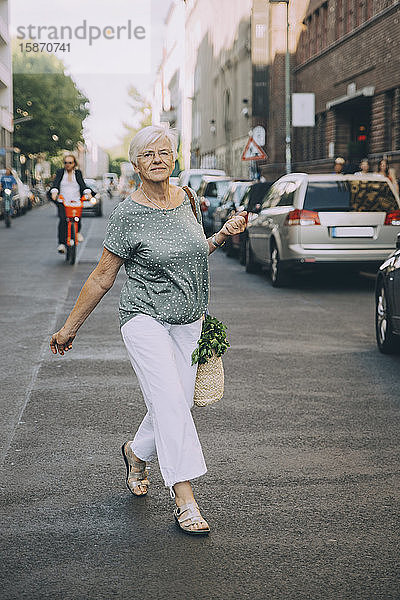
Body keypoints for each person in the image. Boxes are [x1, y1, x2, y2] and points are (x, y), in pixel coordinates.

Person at [49, 124, 247, 536]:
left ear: (174, 158)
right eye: (148, 154)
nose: (158, 160)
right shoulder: (128, 214)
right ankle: (185, 498)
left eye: (164, 152)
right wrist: (69, 328)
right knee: (171, 401)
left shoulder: (188, 199)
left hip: (189, 319)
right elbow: (104, 276)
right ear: (136, 163)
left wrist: (222, 235)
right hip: (145, 318)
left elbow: (192, 252)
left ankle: (135, 453)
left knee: (176, 404)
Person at [48, 155, 94, 254]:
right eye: (66, 163)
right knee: (63, 219)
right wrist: (54, 192)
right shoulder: (60, 172)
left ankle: (77, 232)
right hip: (63, 201)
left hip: (76, 201)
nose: (68, 165)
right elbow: (56, 183)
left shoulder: (77, 173)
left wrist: (88, 193)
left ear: (74, 164)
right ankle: (62, 243)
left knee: (77, 218)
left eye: (70, 163)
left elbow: (82, 185)